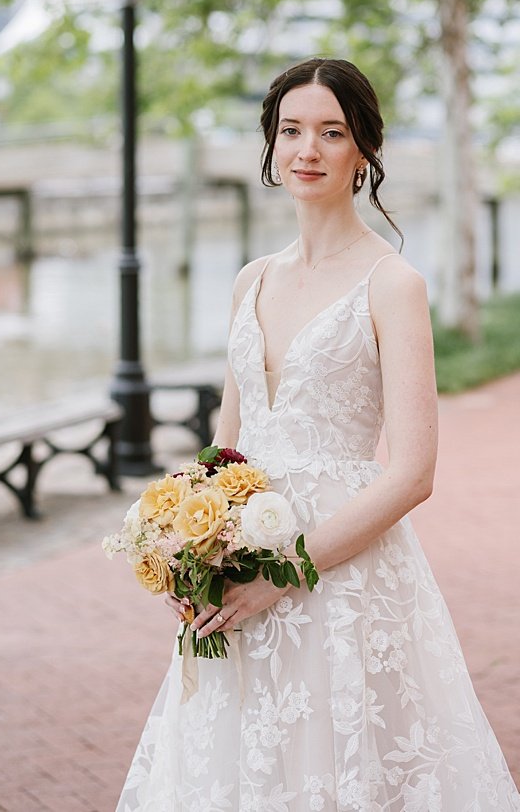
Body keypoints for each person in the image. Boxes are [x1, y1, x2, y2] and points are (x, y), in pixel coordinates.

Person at [117, 59, 520, 809]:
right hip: (237, 566)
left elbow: (414, 473)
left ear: (362, 151)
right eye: (291, 130)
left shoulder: (393, 284)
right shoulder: (252, 279)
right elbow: (225, 446)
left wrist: (283, 577)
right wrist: (182, 547)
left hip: (342, 580)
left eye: (330, 132)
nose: (308, 149)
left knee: (344, 769)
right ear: (271, 145)